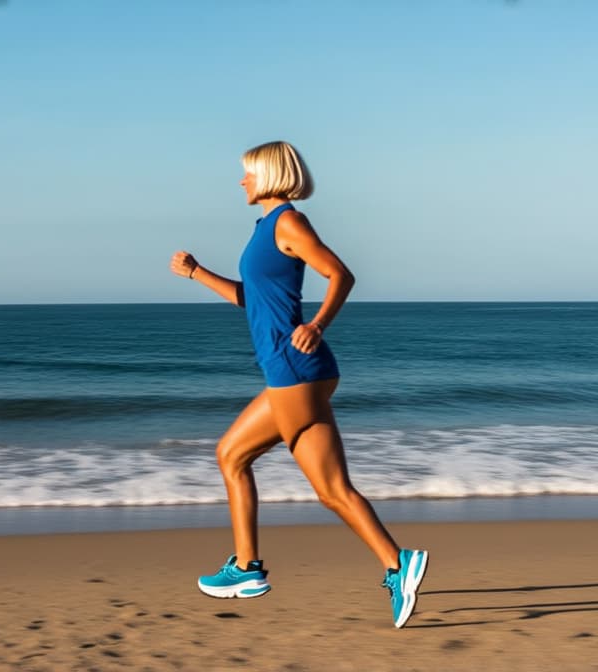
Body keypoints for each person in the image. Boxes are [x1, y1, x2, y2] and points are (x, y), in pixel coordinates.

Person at [169, 141, 428, 628]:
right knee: (332, 490)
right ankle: (399, 564)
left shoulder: (288, 222)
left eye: (247, 173)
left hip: (293, 369)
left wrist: (317, 325)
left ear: (268, 175)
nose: (241, 181)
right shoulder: (265, 228)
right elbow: (254, 300)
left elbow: (340, 275)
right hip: (302, 374)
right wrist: (197, 273)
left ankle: (246, 569)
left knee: (232, 455)